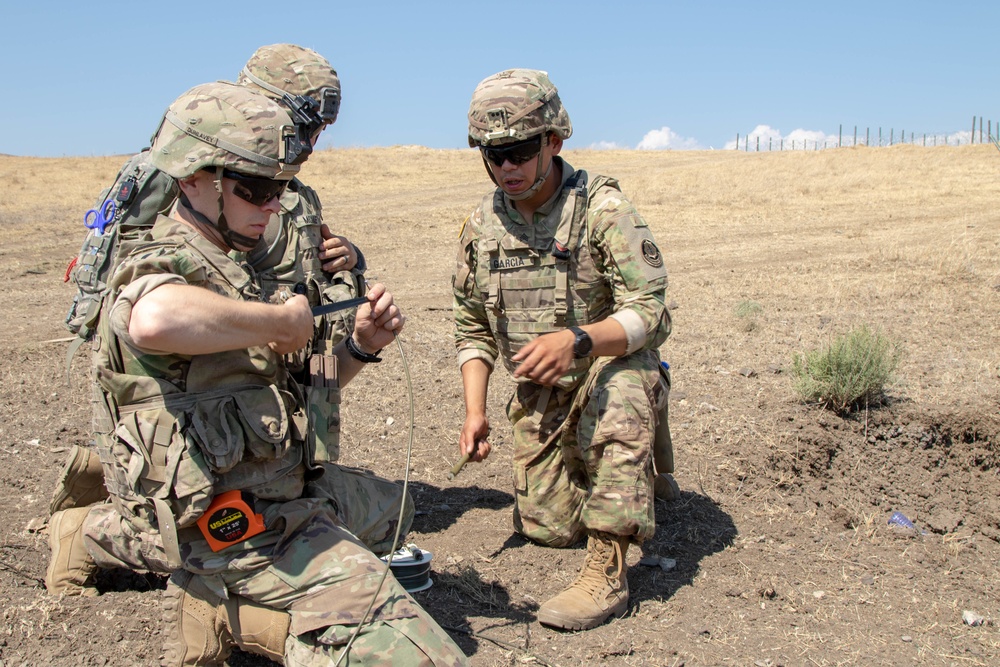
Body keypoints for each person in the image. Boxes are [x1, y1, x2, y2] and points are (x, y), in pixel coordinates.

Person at [46, 82, 467, 666]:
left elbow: (287, 400)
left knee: (394, 511)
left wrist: (362, 348)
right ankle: (196, 587)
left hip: (283, 495)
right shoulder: (161, 257)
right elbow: (151, 318)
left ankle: (220, 606)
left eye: (281, 189)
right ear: (193, 179)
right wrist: (274, 321)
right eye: (256, 190)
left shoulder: (242, 267)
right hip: (227, 529)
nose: (273, 206)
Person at [50, 44, 409, 559]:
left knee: (338, 496)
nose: (310, 141)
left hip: (276, 384)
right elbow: (159, 317)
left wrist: (348, 271)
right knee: (226, 527)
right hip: (213, 389)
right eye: (303, 123)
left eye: (319, 128)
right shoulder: (203, 194)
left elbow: (297, 340)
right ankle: (106, 518)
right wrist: (276, 320)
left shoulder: (283, 194)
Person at [452, 69, 674, 631]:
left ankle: (608, 568)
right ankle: (628, 478)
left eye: (520, 150)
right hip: (543, 399)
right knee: (549, 530)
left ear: (553, 140)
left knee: (624, 381)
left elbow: (651, 310)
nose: (507, 166)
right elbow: (472, 325)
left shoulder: (602, 210)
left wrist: (579, 339)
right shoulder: (481, 227)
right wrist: (475, 412)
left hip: (605, 376)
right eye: (492, 154)